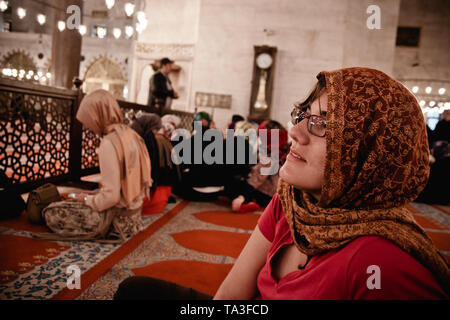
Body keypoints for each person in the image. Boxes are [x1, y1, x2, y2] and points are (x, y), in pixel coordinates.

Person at [115, 67, 449, 299]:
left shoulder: (383, 265)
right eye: (302, 115)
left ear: (370, 153)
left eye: (321, 124)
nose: (295, 132)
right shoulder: (291, 200)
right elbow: (233, 292)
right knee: (135, 290)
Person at [36, 90, 152, 242]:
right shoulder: (132, 134)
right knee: (86, 196)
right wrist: (95, 194)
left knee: (51, 213)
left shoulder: (109, 143)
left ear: (97, 115)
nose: (87, 126)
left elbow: (112, 197)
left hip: (117, 222)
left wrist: (87, 200)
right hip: (135, 217)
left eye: (88, 120)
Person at [230, 120, 289, 212]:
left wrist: (242, 197)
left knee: (235, 182)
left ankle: (248, 201)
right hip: (279, 193)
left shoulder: (272, 153)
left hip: (269, 195)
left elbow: (258, 177)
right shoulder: (284, 148)